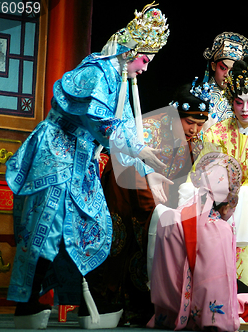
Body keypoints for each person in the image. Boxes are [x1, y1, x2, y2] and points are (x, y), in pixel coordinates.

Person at [4, 3, 170, 329]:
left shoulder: (119, 79)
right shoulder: (95, 72)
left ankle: (79, 302)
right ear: (131, 51)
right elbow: (104, 124)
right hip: (55, 156)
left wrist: (151, 173)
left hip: (81, 162)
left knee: (88, 228)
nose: (146, 68)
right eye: (145, 59)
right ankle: (37, 304)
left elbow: (121, 133)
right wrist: (142, 152)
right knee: (49, 230)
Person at [90, 80, 211, 326]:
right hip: (126, 185)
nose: (195, 129)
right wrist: (159, 208)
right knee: (122, 243)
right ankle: (109, 304)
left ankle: (143, 308)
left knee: (153, 240)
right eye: (190, 122)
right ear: (176, 114)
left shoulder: (196, 138)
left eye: (200, 124)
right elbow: (124, 157)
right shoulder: (150, 128)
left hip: (159, 193)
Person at [186, 55, 248, 299]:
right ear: (231, 101)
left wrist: (233, 199)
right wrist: (192, 193)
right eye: (239, 102)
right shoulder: (216, 134)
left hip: (245, 220)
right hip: (214, 214)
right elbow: (201, 171)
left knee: (245, 270)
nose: (245, 109)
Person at [201, 31, 248, 132]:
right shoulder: (199, 94)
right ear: (213, 66)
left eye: (232, 71)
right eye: (223, 68)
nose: (227, 75)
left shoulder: (242, 99)